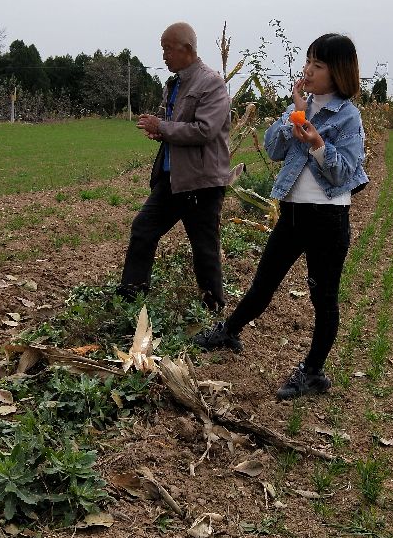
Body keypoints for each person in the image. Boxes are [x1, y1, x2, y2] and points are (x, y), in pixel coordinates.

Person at [195, 33, 368, 400]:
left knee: (323, 298)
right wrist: (293, 117)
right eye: (308, 62)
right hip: (292, 213)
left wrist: (318, 144)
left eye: (318, 65)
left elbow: (343, 173)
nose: (308, 70)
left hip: (328, 220)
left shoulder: (348, 117)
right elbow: (273, 149)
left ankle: (314, 372)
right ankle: (229, 332)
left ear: (338, 72)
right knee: (264, 282)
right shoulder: (300, 107)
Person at [118, 22, 232, 310]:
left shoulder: (211, 83)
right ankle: (131, 298)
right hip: (172, 179)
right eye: (163, 49)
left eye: (168, 49)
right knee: (143, 228)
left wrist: (163, 127)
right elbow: (172, 124)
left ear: (187, 49)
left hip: (202, 182)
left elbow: (204, 130)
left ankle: (212, 308)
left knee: (204, 247)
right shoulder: (173, 84)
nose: (164, 56)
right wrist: (158, 130)